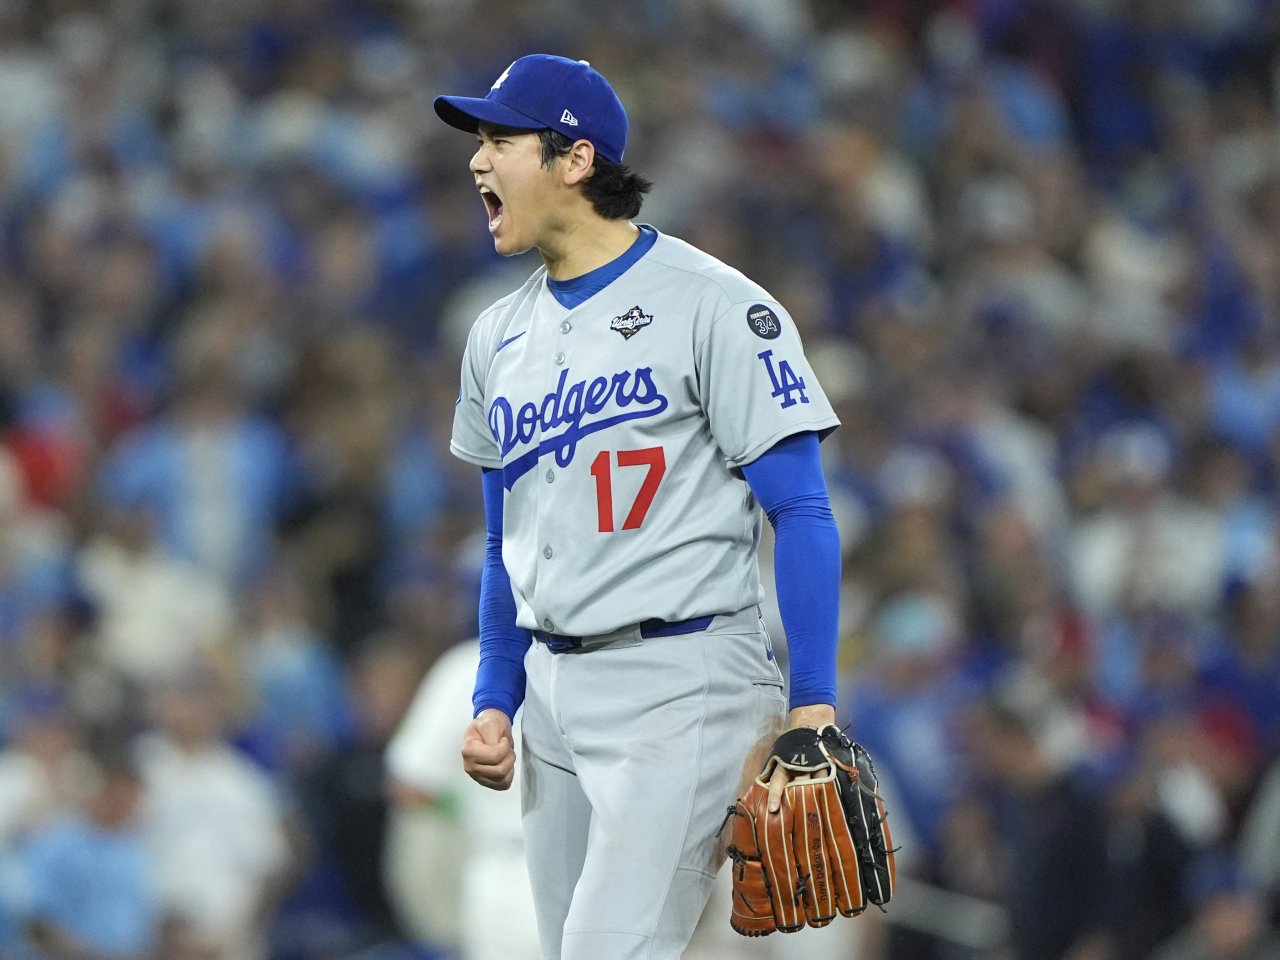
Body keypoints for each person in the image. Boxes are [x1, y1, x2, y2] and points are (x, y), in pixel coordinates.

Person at [435, 54, 843, 960]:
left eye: (501, 139)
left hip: (683, 680)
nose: (478, 160)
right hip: (550, 692)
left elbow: (803, 512)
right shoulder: (495, 336)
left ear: (575, 160)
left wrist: (813, 702)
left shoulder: (717, 306)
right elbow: (506, 541)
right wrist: (496, 696)